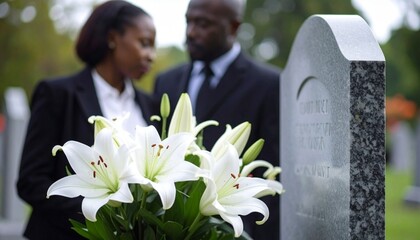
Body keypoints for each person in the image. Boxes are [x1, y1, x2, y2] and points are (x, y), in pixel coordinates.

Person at [16, 1, 156, 239]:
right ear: (113, 38)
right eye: (144, 43)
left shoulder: (149, 105)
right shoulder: (57, 95)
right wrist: (105, 219)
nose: (151, 56)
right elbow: (31, 182)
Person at [153, 0, 280, 239]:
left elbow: (272, 164)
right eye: (188, 21)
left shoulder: (269, 84)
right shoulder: (166, 81)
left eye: (203, 24)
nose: (191, 32)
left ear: (233, 28)